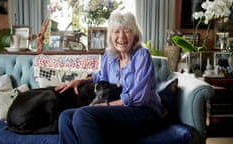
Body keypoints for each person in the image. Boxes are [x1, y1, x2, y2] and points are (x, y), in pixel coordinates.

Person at [55, 11, 163, 144]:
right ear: (111, 35)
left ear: (135, 35)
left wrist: (106, 105)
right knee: (65, 117)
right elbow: (101, 77)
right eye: (116, 31)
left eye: (127, 31)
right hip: (120, 110)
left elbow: (140, 96)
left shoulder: (141, 55)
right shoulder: (110, 56)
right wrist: (79, 81)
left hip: (145, 112)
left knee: (83, 115)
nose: (121, 36)